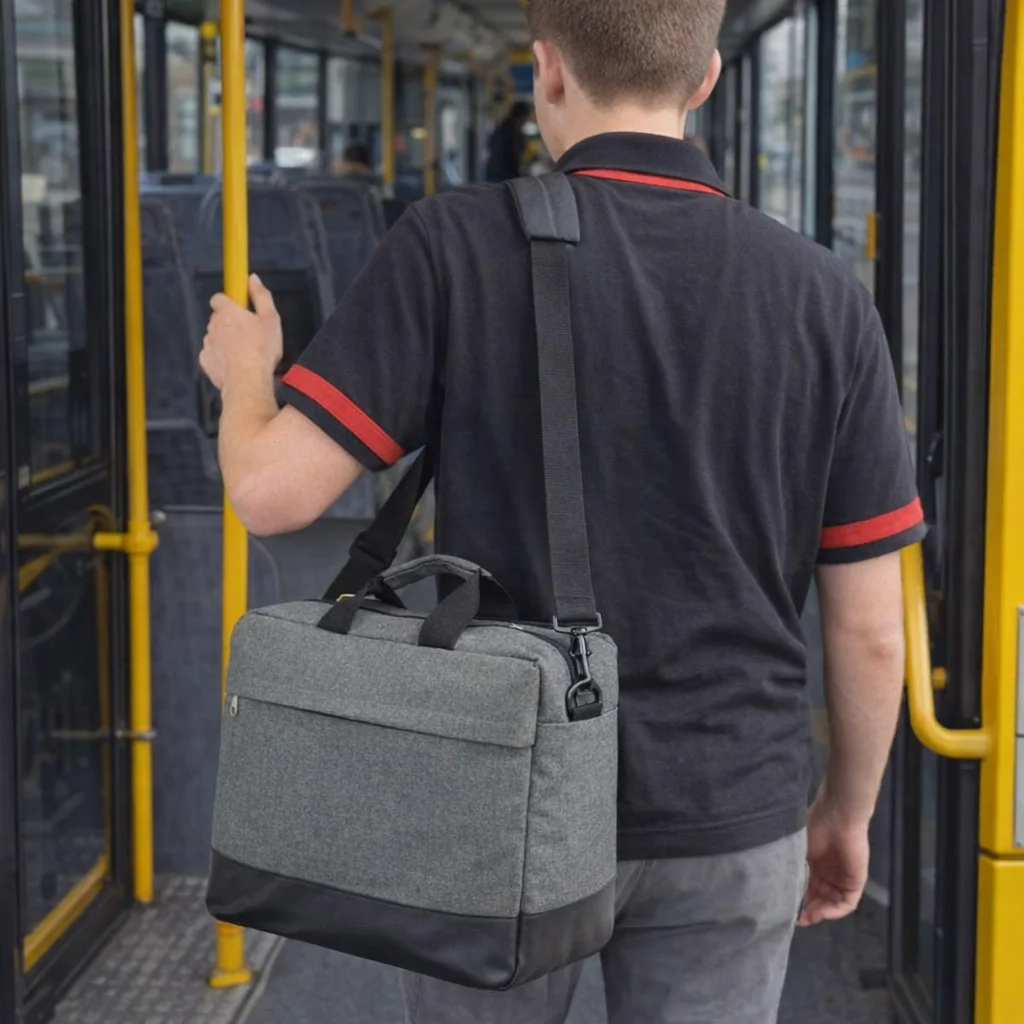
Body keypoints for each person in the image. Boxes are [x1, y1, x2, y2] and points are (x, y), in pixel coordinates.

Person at [199, 0, 924, 1020]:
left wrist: (246, 377)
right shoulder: (824, 298)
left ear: (544, 71)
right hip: (729, 801)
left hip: (495, 789)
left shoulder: (452, 245)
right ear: (708, 78)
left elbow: (270, 495)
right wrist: (845, 811)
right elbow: (868, 627)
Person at [485, 101, 531, 182]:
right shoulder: (512, 131)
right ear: (522, 116)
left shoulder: (501, 127)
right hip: (504, 175)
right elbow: (514, 154)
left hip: (493, 172)